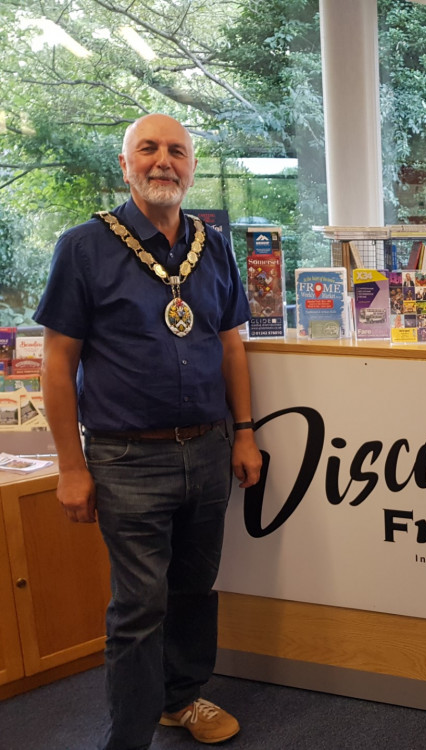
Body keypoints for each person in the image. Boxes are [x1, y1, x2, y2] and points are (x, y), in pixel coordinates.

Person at [35, 114, 262, 749]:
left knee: (194, 589)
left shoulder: (212, 245)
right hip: (127, 458)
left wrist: (244, 433)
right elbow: (58, 363)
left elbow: (232, 346)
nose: (164, 161)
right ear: (125, 163)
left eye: (177, 151)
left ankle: (181, 700)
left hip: (210, 448)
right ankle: (128, 738)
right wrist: (70, 467)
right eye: (149, 149)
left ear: (191, 166)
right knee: (138, 609)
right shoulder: (83, 247)